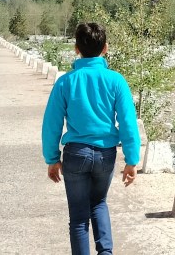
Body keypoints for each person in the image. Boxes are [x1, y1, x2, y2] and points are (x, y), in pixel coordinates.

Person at [42, 22, 141, 255]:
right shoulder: (116, 81)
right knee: (98, 203)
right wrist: (131, 160)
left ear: (76, 49)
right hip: (106, 154)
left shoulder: (65, 82)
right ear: (105, 49)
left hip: (75, 155)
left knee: (78, 217)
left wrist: (52, 158)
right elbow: (128, 122)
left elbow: (51, 125)